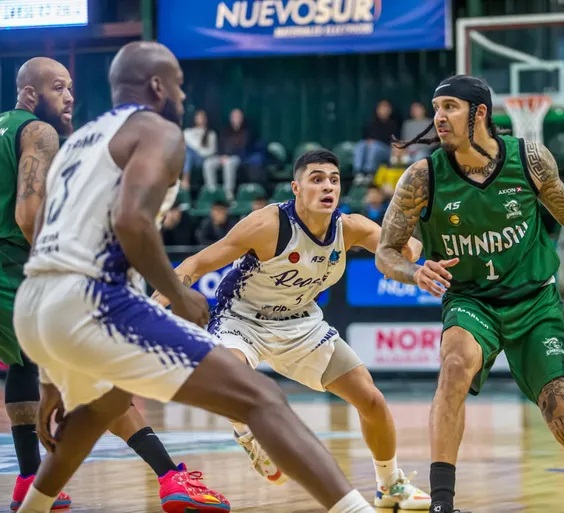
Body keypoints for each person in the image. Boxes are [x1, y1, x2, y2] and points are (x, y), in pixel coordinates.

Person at [11, 41, 373, 513]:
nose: (184, 95)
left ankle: (32, 507)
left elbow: (39, 225)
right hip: (91, 295)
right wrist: (179, 294)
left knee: (103, 403)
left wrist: (48, 370)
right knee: (261, 398)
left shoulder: (80, 138)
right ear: (158, 87)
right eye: (180, 84)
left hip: (35, 300)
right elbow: (131, 222)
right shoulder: (158, 131)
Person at [375, 75, 564, 513]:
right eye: (436, 107)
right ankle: (442, 503)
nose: (438, 117)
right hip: (471, 301)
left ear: (479, 113)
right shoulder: (422, 178)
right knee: (453, 367)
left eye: (450, 107)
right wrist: (413, 271)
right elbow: (385, 251)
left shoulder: (531, 161)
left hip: (534, 302)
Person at [0, 56, 227, 512]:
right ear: (29, 94)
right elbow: (28, 213)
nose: (69, 97)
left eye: (70, 88)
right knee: (102, 377)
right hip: (18, 271)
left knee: (24, 369)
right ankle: (171, 478)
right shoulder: (37, 132)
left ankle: (28, 480)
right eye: (59, 88)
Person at [153, 149, 431, 510]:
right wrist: (158, 302)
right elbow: (199, 261)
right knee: (231, 378)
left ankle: (390, 484)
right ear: (296, 188)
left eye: (334, 179)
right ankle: (248, 435)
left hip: (300, 322)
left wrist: (422, 228)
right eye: (317, 179)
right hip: (242, 318)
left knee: (371, 400)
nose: (328, 186)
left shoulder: (351, 228)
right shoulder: (267, 224)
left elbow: (403, 251)